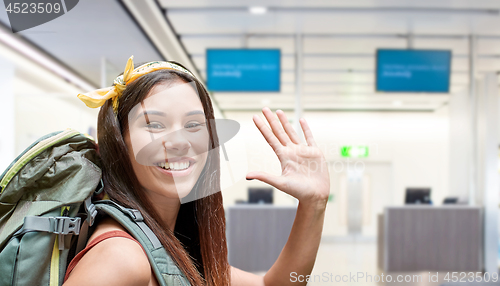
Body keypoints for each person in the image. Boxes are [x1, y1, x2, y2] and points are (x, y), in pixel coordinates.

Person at [63, 56, 330, 286]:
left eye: (193, 124)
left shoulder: (166, 243)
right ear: (119, 140)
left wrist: (313, 204)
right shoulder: (121, 256)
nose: (180, 141)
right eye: (155, 124)